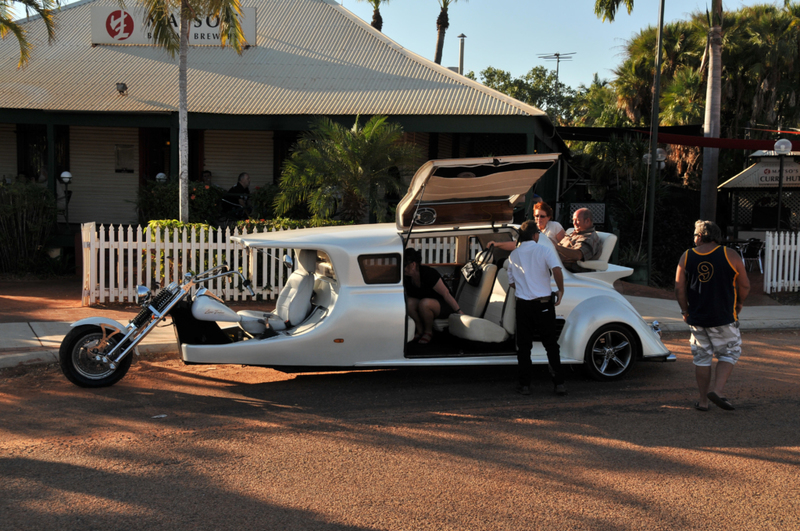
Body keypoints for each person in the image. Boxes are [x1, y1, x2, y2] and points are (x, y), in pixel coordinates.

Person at [675, 220, 750, 412]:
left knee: (702, 358)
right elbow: (745, 285)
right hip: (723, 316)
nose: (694, 239)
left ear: (700, 236)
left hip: (697, 318)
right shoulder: (730, 254)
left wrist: (685, 310)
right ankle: (717, 390)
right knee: (730, 352)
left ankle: (703, 401)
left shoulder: (687, 256)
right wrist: (739, 302)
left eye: (694, 235)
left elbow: (679, 288)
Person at [507, 220, 566, 396]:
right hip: (544, 304)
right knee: (551, 345)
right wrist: (561, 290)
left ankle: (524, 385)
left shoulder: (513, 255)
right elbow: (557, 270)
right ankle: (559, 383)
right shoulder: (545, 250)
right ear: (535, 235)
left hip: (523, 305)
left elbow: (511, 283)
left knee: (524, 346)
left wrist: (525, 287)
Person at [404, 247, 463, 345]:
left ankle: (428, 332)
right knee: (409, 302)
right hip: (425, 304)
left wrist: (459, 311)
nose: (402, 268)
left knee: (424, 303)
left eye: (404, 265)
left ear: (413, 265)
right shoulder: (407, 278)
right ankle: (420, 329)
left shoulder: (428, 273)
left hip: (443, 305)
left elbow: (446, 293)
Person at [556, 208, 602, 272]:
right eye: (573, 220)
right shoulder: (573, 233)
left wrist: (557, 247)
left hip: (569, 271)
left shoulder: (590, 237)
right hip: (556, 265)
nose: (574, 223)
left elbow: (578, 255)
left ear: (587, 221)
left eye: (577, 220)